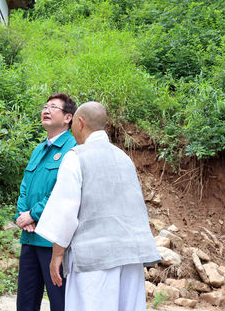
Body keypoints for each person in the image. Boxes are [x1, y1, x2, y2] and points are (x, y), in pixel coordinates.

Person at [35, 101, 161, 311]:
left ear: (80, 123)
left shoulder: (76, 157)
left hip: (94, 258)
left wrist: (57, 255)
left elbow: (66, 213)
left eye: (73, 123)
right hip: (131, 256)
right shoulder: (124, 158)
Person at [14, 93, 77, 311]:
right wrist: (22, 215)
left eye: (53, 107)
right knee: (25, 302)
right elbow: (24, 187)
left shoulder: (72, 149)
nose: (46, 110)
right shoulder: (38, 150)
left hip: (53, 242)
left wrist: (34, 214)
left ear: (68, 117)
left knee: (59, 302)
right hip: (30, 238)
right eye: (45, 106)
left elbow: (63, 191)